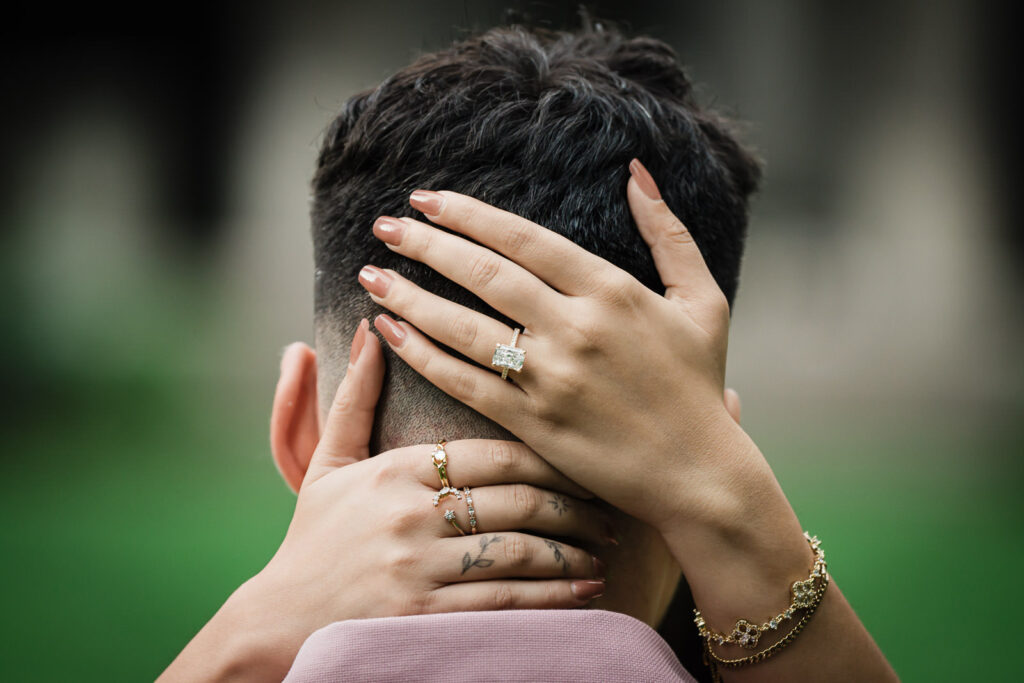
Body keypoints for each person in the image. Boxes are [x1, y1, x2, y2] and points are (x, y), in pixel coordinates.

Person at [160, 22, 897, 682]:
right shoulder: (726, 504)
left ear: (296, 431)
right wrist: (743, 522)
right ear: (718, 456)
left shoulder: (227, 659)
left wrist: (241, 640)